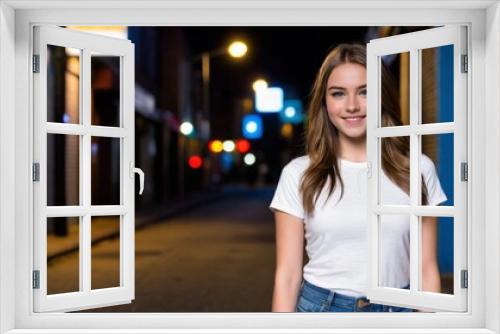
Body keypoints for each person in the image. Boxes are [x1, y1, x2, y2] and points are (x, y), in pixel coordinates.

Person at [269, 43, 447, 312]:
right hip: (322, 312)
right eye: (338, 94)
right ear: (325, 102)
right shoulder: (298, 174)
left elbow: (426, 270)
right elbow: (287, 276)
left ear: (382, 96)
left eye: (365, 92)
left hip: (397, 310)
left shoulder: (417, 169)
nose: (352, 105)